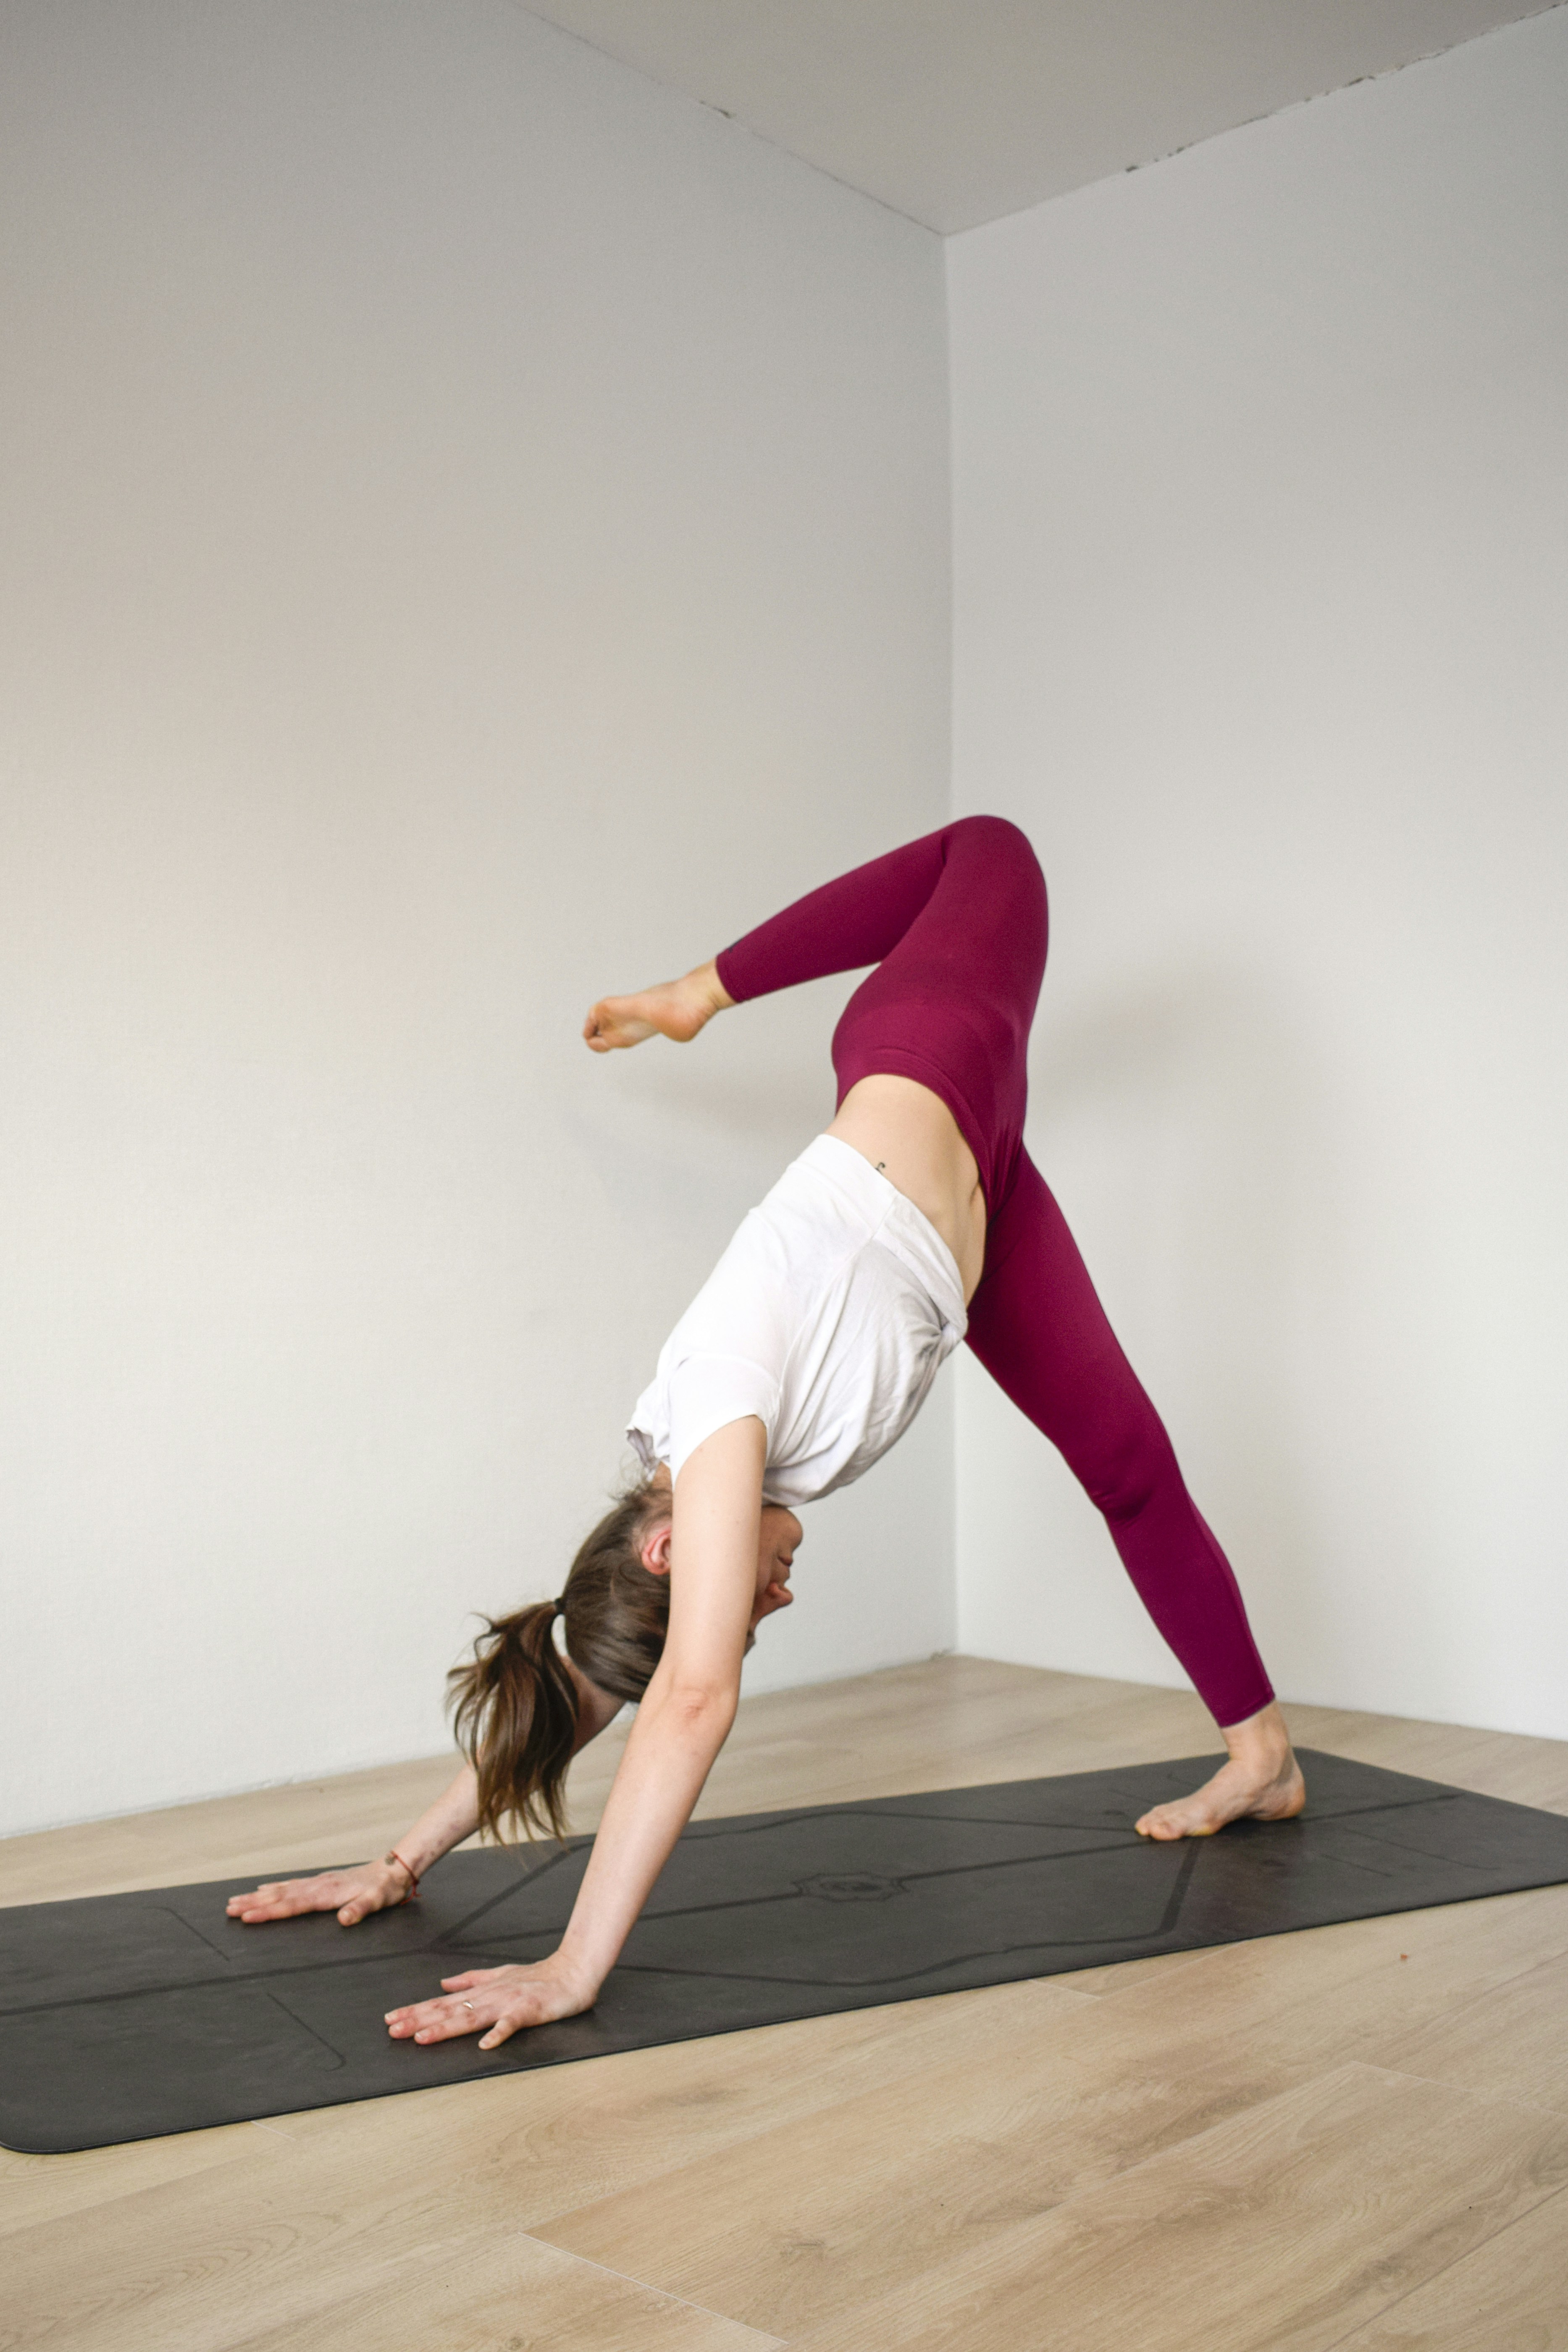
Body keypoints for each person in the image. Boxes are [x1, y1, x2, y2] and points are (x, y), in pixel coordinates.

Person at [228, 817, 1304, 2049]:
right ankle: (1264, 1760)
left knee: (991, 847)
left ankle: (697, 994)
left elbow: (693, 1696)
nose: (777, 1599)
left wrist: (576, 1964)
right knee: (1132, 1475)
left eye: (747, 1603)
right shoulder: (693, 1512)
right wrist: (400, 1861)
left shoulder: (720, 1403)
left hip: (929, 1051)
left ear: (672, 1551)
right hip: (984, 1205)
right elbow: (595, 1682)